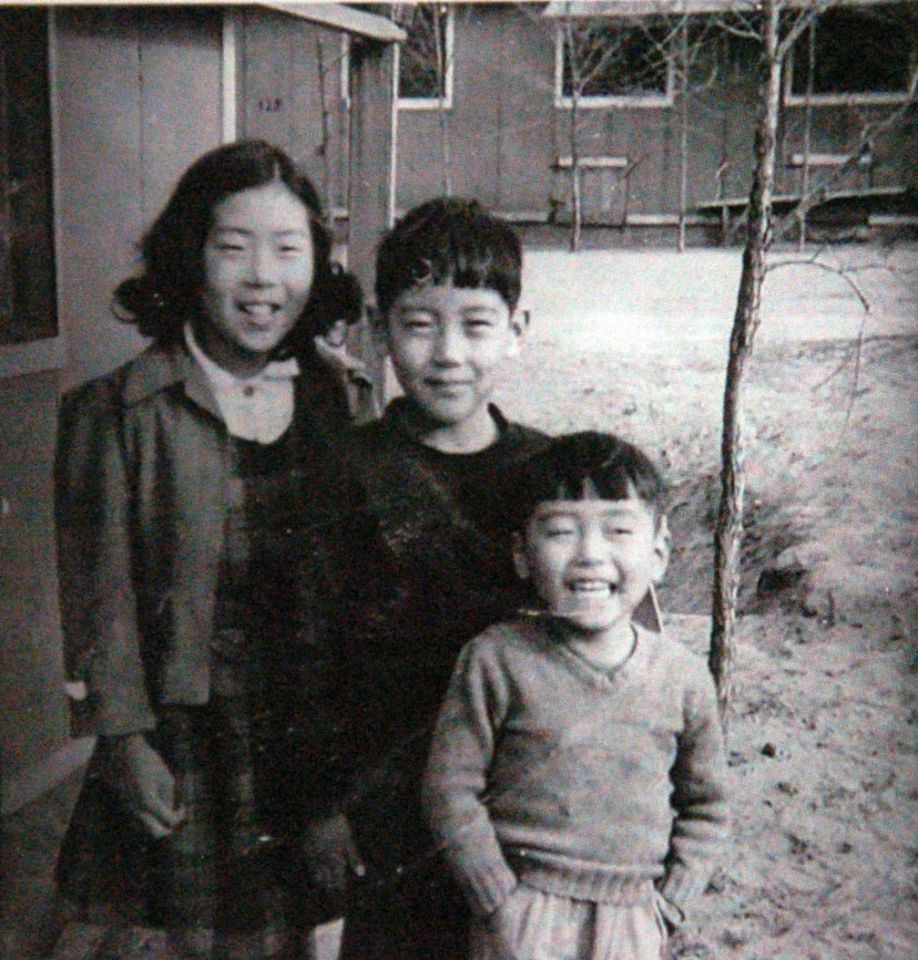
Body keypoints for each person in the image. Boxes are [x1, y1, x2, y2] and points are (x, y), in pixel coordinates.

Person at [54, 139, 363, 958]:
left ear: (317, 265)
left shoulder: (342, 399)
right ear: (189, 258)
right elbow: (100, 597)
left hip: (310, 734)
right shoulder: (117, 412)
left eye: (287, 250)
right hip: (183, 735)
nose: (262, 279)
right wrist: (122, 740)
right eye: (233, 248)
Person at [297, 197, 550, 960]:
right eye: (419, 324)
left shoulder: (550, 474)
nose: (447, 354)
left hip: (521, 805)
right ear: (379, 329)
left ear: (517, 330)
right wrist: (319, 808)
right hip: (387, 811)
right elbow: (304, 649)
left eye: (476, 325)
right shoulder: (343, 472)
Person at [422, 432, 731, 960]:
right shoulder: (496, 659)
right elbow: (449, 788)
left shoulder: (682, 677)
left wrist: (671, 901)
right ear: (522, 553)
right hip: (523, 914)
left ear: (658, 554)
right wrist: (496, 896)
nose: (589, 555)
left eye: (618, 530)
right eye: (561, 531)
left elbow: (707, 805)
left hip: (634, 917)